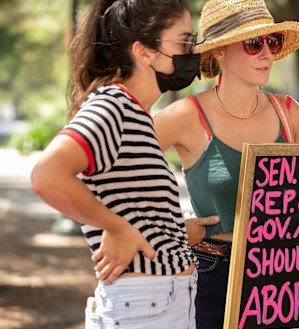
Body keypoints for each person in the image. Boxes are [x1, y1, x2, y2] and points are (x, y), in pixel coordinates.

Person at [153, 0, 299, 327]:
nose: (267, 54)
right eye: (253, 43)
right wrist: (170, 230)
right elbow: (119, 168)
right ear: (218, 53)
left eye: (271, 42)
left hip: (284, 274)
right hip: (214, 276)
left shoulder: (289, 112)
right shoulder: (186, 116)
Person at [30, 0, 202, 327]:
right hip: (146, 307)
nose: (192, 51)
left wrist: (175, 232)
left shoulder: (136, 114)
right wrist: (115, 228)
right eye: (183, 41)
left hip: (158, 304)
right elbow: (46, 175)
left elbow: (127, 203)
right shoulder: (114, 106)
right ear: (145, 51)